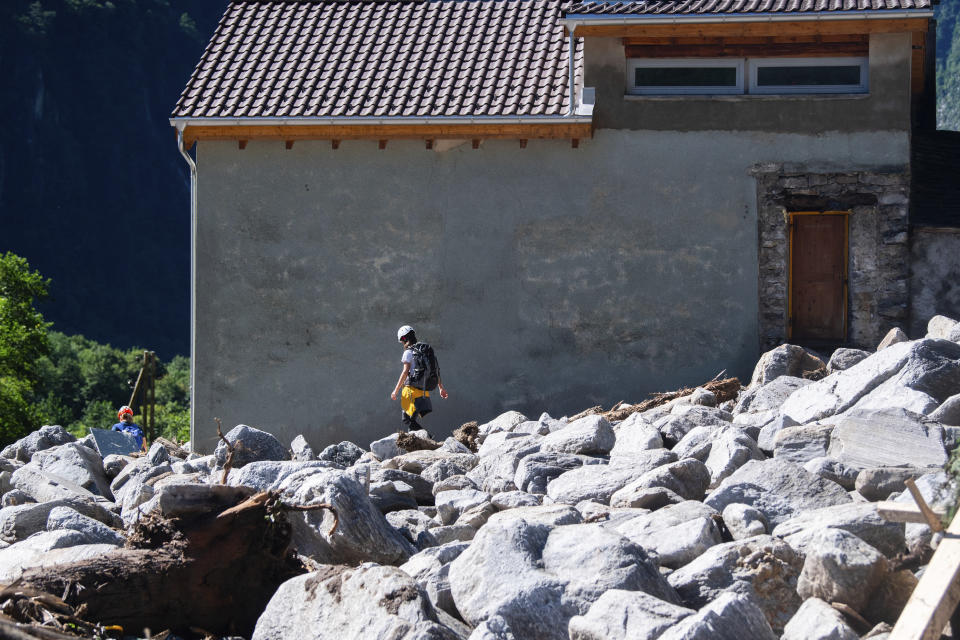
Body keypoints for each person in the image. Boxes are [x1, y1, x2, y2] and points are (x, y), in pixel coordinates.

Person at [390, 325, 449, 433]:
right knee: (411, 420)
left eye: (402, 341)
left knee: (407, 419)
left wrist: (396, 390)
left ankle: (427, 439)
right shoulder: (425, 351)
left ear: (403, 339)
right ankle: (421, 441)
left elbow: (405, 372)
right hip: (423, 392)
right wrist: (441, 388)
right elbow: (436, 369)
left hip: (411, 392)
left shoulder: (408, 352)